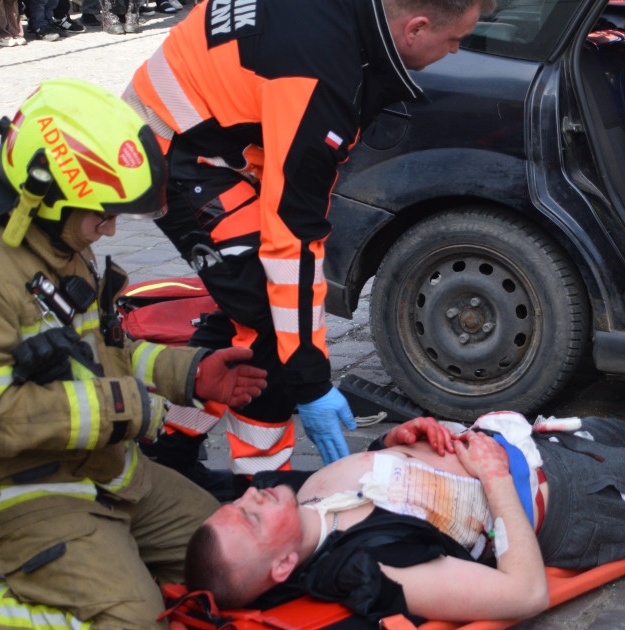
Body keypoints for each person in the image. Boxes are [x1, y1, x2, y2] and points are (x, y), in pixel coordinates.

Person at [0, 78, 272, 630]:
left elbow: (106, 352)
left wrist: (189, 373)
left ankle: (100, 572)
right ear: (47, 195)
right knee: (130, 622)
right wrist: (132, 408)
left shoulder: (60, 246)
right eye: (102, 212)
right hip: (22, 492)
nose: (111, 228)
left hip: (109, 473)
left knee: (232, 561)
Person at [122, 0, 489, 483]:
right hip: (173, 147)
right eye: (454, 40)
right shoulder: (323, 75)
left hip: (211, 129)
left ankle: (170, 446)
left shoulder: (347, 30)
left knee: (250, 303)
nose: (457, 51)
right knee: (273, 332)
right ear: (416, 28)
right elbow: (291, 233)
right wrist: (312, 382)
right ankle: (263, 487)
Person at [182, 392, 625, 624]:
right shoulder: (376, 567)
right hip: (574, 505)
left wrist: (396, 440)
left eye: (239, 504)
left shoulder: (305, 499)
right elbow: (525, 595)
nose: (253, 493)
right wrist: (493, 480)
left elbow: (383, 481)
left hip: (543, 445)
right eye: (253, 516)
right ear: (283, 567)